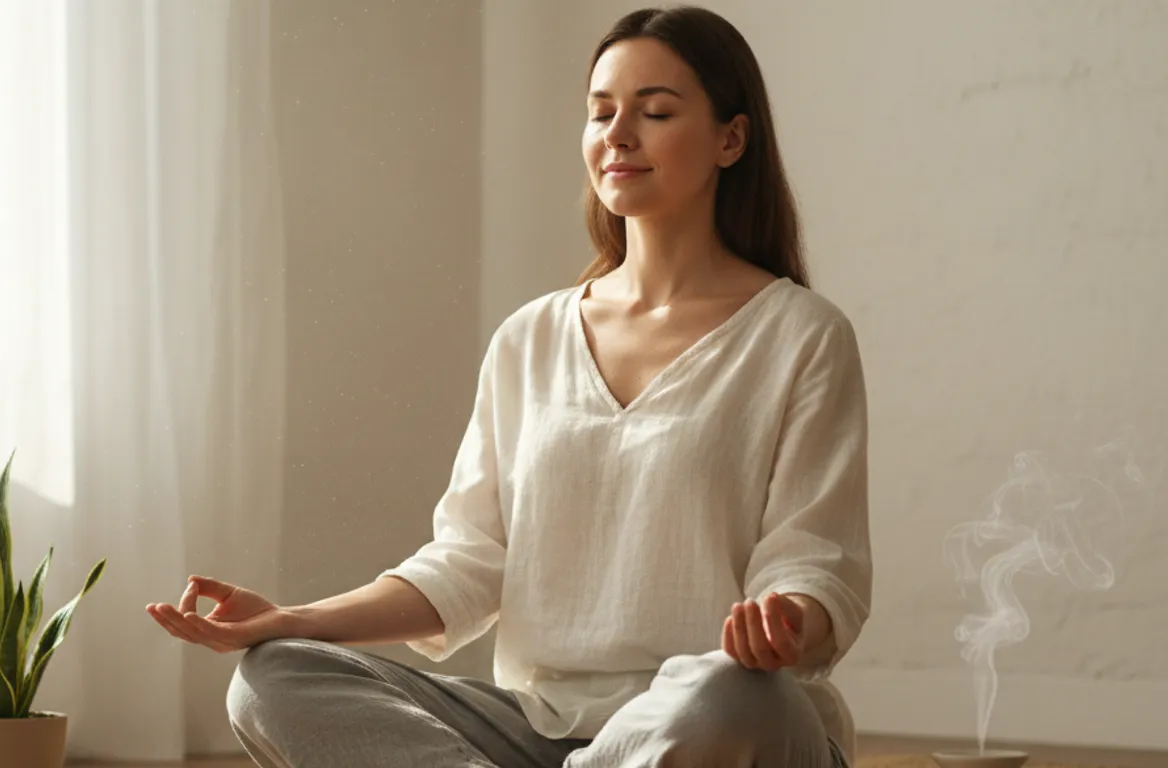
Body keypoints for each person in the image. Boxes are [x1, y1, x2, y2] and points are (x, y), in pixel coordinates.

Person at [146, 6, 871, 767]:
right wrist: (292, 619)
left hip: (712, 719)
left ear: (732, 138)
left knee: (729, 695)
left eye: (655, 112)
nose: (617, 134)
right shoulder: (530, 338)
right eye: (600, 113)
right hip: (540, 725)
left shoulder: (801, 335)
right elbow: (468, 561)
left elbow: (816, 562)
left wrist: (785, 622)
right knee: (271, 678)